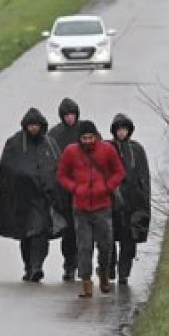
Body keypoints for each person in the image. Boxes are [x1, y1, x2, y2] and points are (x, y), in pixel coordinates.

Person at [0, 108, 68, 282]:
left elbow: (57, 166)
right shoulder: (14, 144)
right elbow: (7, 171)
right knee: (26, 234)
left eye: (36, 125)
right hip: (21, 198)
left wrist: (55, 191)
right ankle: (28, 266)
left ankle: (37, 266)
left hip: (42, 199)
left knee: (40, 232)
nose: (33, 129)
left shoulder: (50, 143)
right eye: (30, 125)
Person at [56, 120, 125, 298]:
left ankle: (103, 273)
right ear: (79, 138)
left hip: (103, 206)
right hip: (80, 207)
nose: (87, 141)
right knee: (84, 246)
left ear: (96, 136)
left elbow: (119, 172)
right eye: (84, 138)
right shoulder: (71, 152)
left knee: (105, 244)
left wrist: (107, 187)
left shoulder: (107, 150)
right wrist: (74, 188)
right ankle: (86, 281)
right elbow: (61, 175)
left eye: (90, 137)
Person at [107, 113, 151, 286]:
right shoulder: (108, 148)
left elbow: (143, 176)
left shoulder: (137, 150)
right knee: (108, 238)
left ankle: (124, 272)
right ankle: (109, 267)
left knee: (129, 239)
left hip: (132, 202)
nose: (122, 132)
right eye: (119, 129)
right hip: (111, 201)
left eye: (125, 129)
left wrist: (143, 199)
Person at [47, 97, 83, 281]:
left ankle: (82, 263)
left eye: (73, 114)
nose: (70, 118)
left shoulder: (85, 130)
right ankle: (69, 264)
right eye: (67, 115)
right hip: (63, 190)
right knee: (68, 229)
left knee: (83, 228)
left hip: (84, 189)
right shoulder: (54, 134)